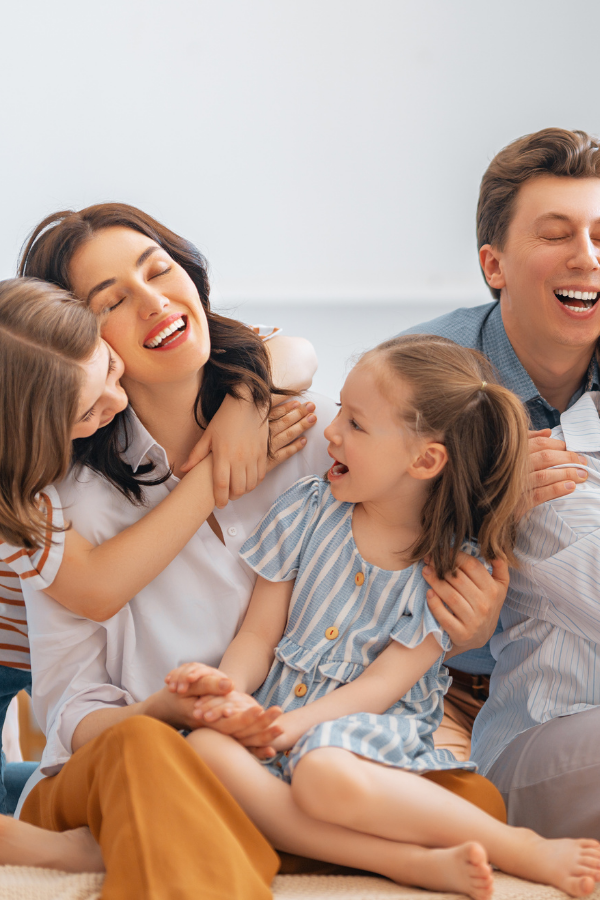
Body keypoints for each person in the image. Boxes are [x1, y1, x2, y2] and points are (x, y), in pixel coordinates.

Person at [13, 204, 505, 895]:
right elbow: (71, 712)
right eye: (113, 300)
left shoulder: (317, 434)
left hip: (293, 754)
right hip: (141, 750)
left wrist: (464, 622)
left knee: (470, 802)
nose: (155, 302)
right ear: (72, 345)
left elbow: (411, 568)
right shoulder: (63, 502)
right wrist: (171, 713)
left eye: (160, 270)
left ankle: (220, 828)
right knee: (155, 758)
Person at [165, 335, 600, 900]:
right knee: (201, 749)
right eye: (340, 410)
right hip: (276, 725)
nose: (331, 431)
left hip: (367, 738)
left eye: (356, 423)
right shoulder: (307, 508)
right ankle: (405, 864)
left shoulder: (450, 566)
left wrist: (296, 728)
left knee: (323, 771)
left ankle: (518, 847)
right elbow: (258, 633)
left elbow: (382, 685)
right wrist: (234, 694)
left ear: (425, 460)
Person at [0, 274, 320, 891]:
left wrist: (243, 406)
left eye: (111, 374)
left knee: (134, 766)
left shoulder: (54, 372)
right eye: (88, 409)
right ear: (27, 433)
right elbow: (93, 590)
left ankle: (69, 838)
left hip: (32, 656)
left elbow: (293, 352)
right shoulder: (23, 497)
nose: (115, 406)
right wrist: (218, 470)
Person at [401, 127, 600, 834]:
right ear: (495, 264)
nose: (587, 256)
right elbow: (352, 560)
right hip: (435, 683)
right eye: (557, 234)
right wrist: (489, 504)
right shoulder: (418, 380)